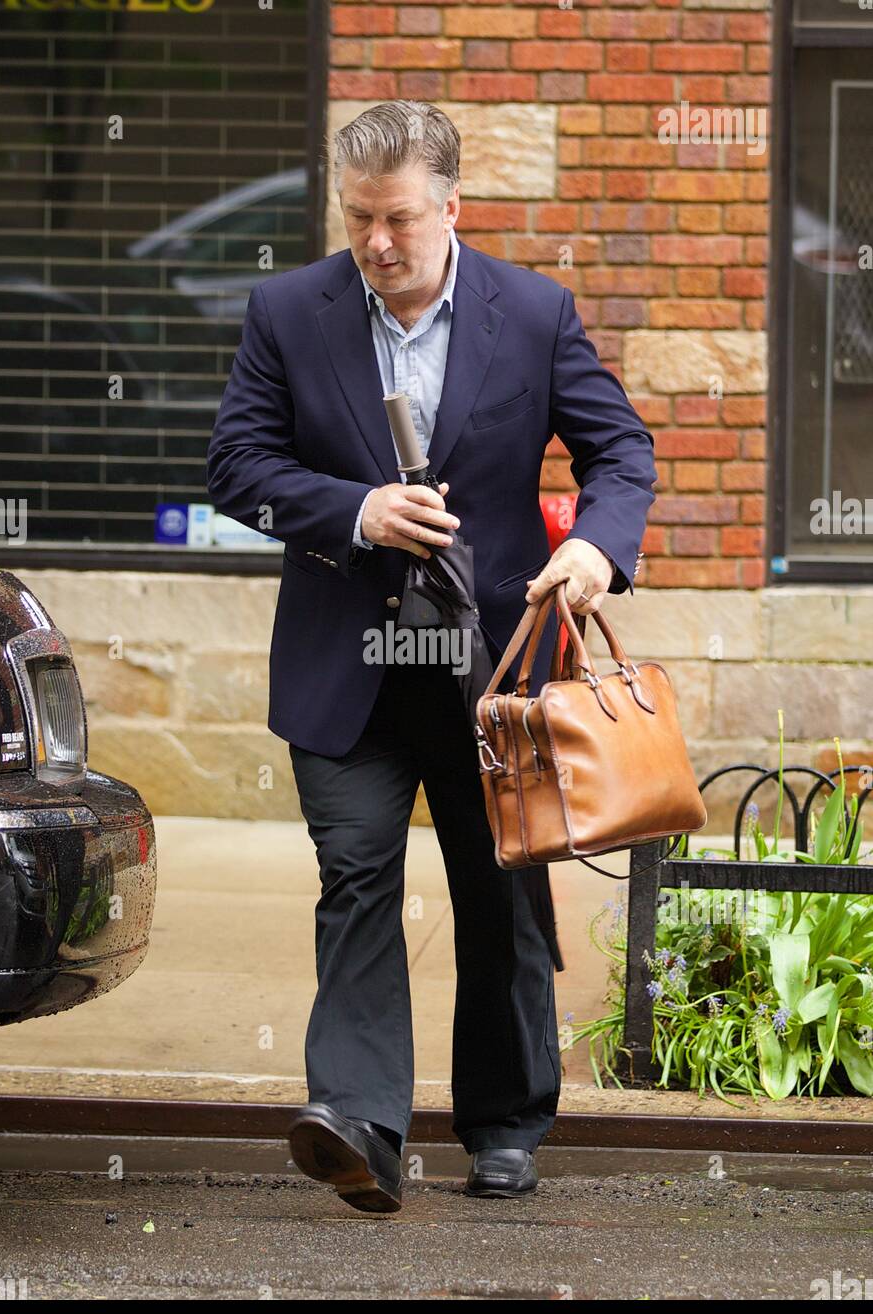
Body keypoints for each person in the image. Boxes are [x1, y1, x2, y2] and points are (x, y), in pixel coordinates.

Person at [207, 99, 656, 1214]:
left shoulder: (536, 313)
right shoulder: (285, 311)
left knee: (497, 897)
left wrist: (596, 549)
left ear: (451, 206)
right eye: (357, 218)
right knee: (355, 879)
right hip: (343, 665)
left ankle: (503, 1122)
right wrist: (354, 510)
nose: (375, 244)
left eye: (398, 218)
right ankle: (359, 1123)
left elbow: (622, 451)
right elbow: (238, 464)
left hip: (492, 672)